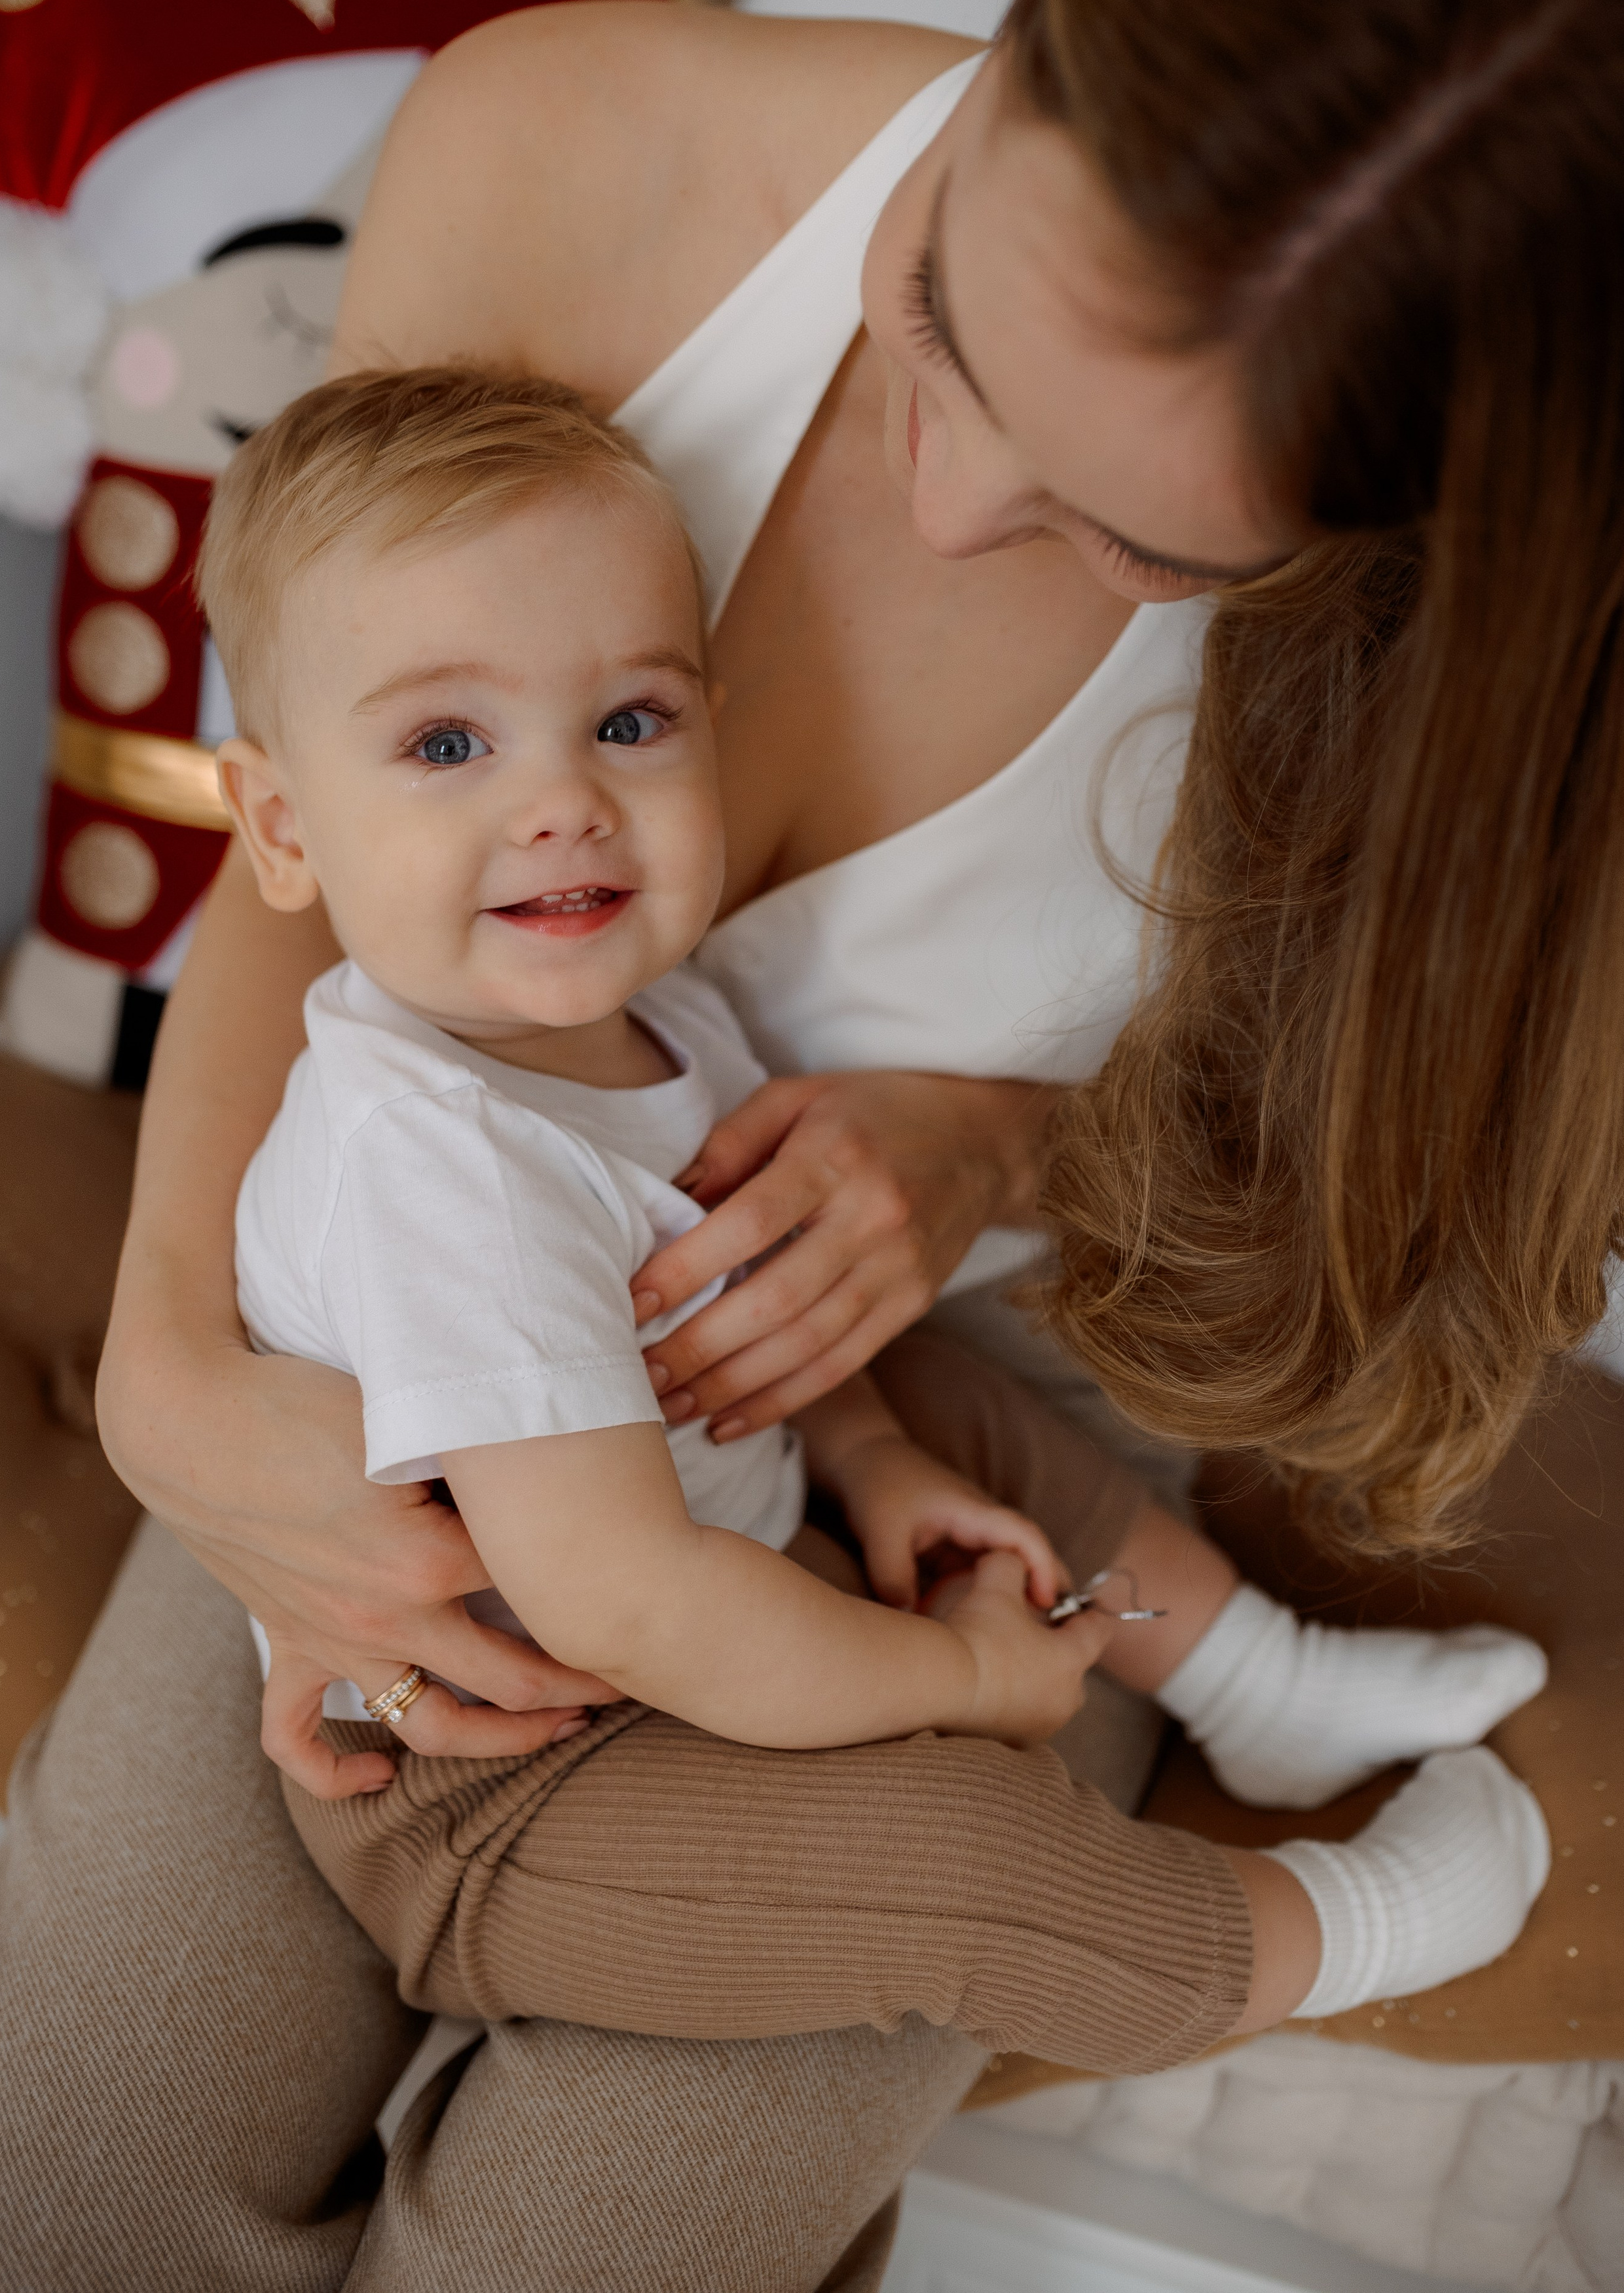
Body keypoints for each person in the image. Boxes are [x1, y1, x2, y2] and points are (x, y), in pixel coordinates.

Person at [0, 0, 1617, 2285]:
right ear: (1037, 29)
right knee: (81, 2159)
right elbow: (306, 888)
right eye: (941, 311)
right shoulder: (565, 145)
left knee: (592, 2236)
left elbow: (1375, 1175)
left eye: (1143, 541)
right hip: (447, 1341)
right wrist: (184, 1365)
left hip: (959, 1438)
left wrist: (987, 1145)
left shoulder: (1490, 646)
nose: (951, 503)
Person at [204, 358, 1545, 2053]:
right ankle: (1322, 1934)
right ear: (280, 822)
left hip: (716, 1556)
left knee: (902, 1361)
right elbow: (630, 1604)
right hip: (524, 1783)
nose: (562, 801)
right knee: (960, 1857)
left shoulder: (644, 1012)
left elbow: (731, 1320)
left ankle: (1246, 1677)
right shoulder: (435, 1161)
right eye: (446, 741)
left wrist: (871, 1458)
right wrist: (972, 1684)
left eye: (629, 719)